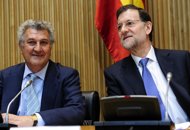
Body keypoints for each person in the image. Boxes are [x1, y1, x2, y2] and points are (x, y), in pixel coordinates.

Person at [104, 4, 190, 124]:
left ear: (147, 28)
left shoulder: (180, 60)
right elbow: (117, 120)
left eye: (129, 23)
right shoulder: (115, 75)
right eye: (119, 27)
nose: (123, 30)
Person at [0, 19, 85, 127]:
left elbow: (77, 111)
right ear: (21, 47)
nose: (38, 48)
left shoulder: (66, 75)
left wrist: (34, 119)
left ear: (50, 47)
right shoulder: (6, 76)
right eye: (31, 42)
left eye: (44, 43)